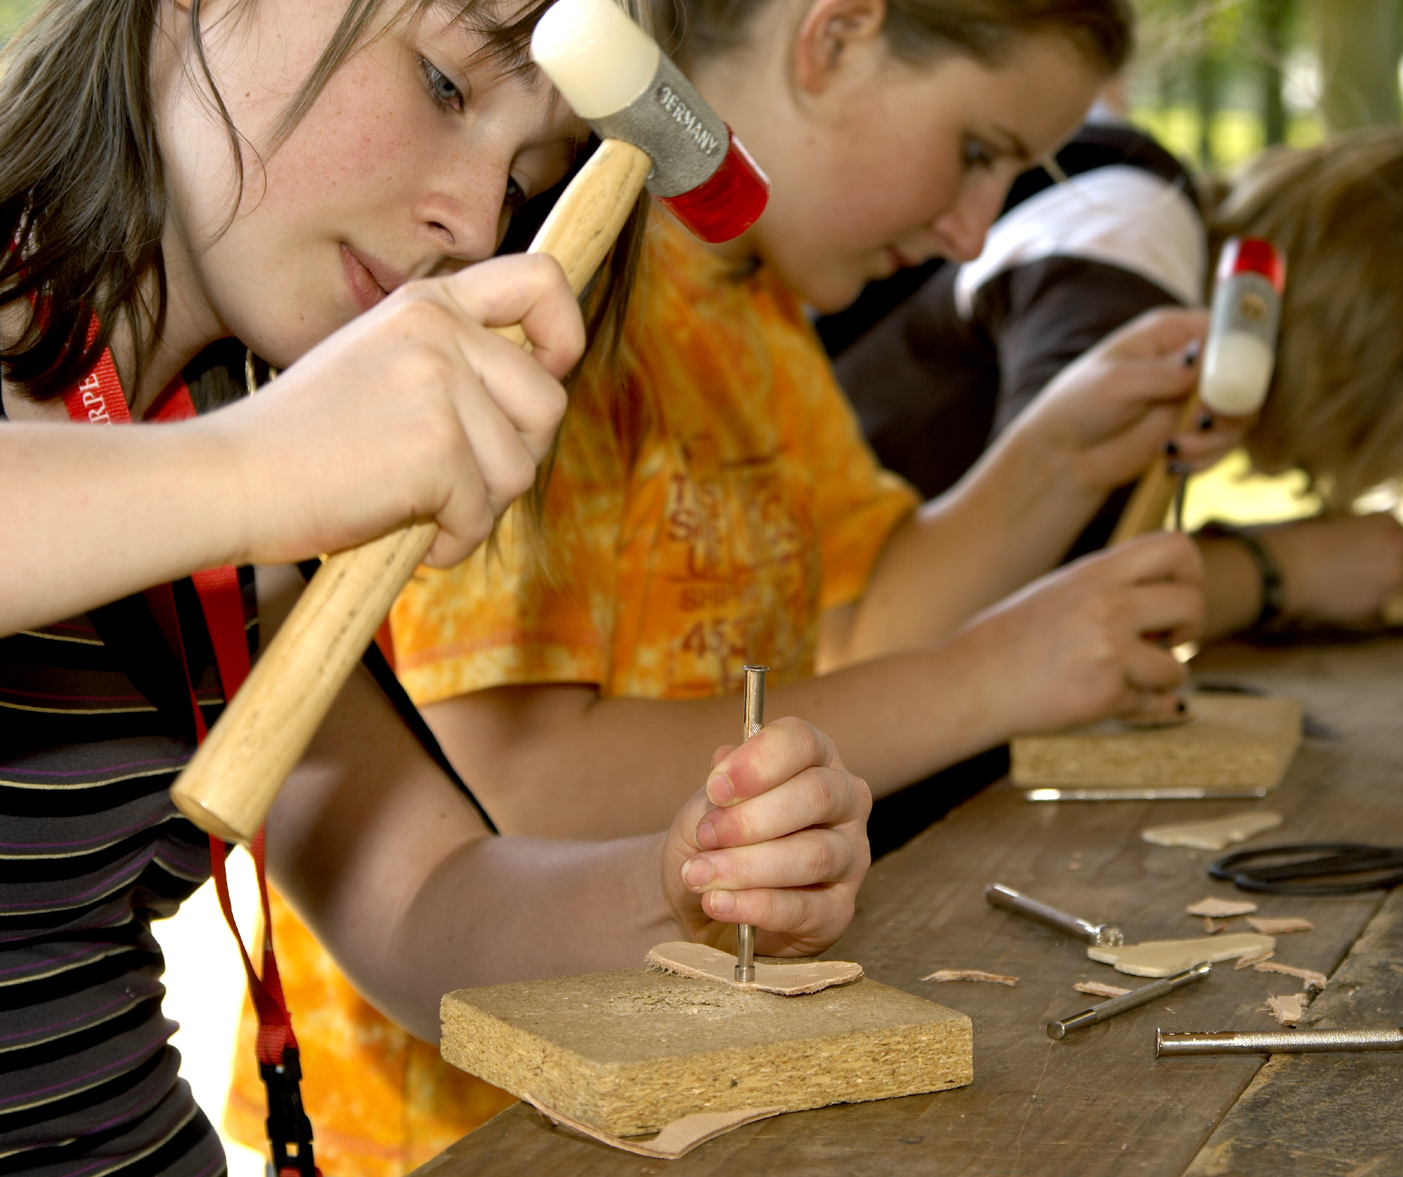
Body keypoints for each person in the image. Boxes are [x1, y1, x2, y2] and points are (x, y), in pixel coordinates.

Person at [230, 0, 1217, 1170]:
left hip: (698, 1081)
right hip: (470, 1121)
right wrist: (986, 681)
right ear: (834, 37)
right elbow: (503, 785)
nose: (971, 234)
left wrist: (1057, 453)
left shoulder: (755, 305)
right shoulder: (558, 298)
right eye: (975, 153)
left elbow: (851, 628)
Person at [0, 3, 871, 1175]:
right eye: (444, 85)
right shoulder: (245, 464)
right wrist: (262, 468)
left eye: (527, 178)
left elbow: (420, 907)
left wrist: (686, 891)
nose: (467, 222)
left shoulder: (221, 441)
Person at [826, 119, 1403, 632]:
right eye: (1381, 445)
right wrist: (1279, 571)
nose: (1331, 475)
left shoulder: (1137, 216)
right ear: (1365, 371)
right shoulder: (1123, 259)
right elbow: (1038, 626)